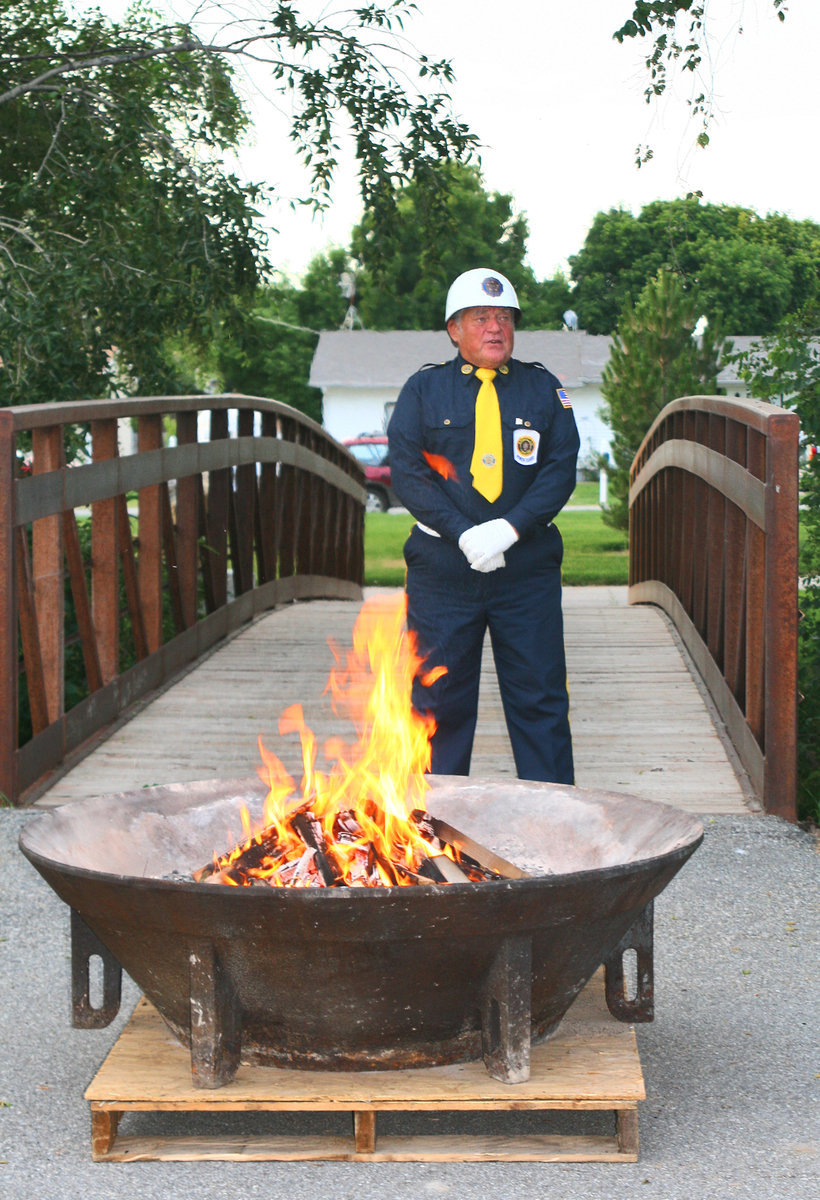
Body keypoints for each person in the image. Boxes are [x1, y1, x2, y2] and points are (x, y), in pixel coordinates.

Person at [387, 267, 580, 784]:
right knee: (437, 702)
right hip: (444, 573)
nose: (495, 328)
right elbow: (407, 472)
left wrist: (510, 528)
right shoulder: (423, 391)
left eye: (503, 318)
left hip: (525, 571)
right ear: (454, 329)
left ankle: (554, 824)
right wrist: (464, 532)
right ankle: (429, 828)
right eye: (480, 318)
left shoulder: (544, 390)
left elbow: (560, 469)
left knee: (540, 700)